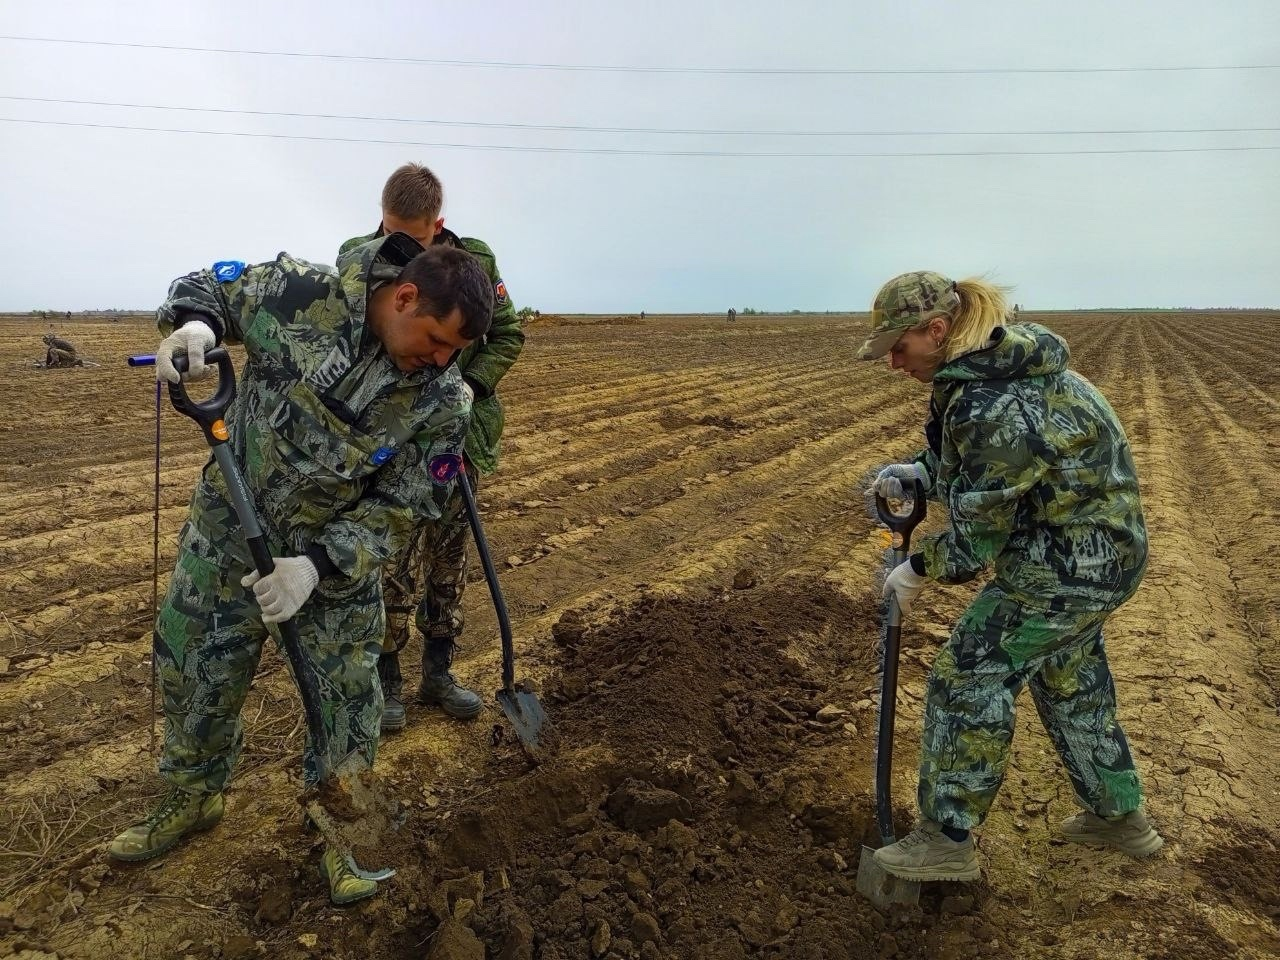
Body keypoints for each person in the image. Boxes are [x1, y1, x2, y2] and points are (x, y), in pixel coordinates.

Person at [106, 234, 493, 906]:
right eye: (436, 339)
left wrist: (315, 566)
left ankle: (341, 838)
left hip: (331, 566)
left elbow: (409, 504)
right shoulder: (301, 295)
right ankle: (193, 795)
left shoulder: (443, 399)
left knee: (347, 706)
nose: (441, 359)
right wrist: (196, 324)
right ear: (404, 297)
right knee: (194, 666)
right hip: (229, 528)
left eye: (454, 352)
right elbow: (211, 286)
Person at [860, 270, 1161, 882]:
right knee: (1069, 679)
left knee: (968, 676)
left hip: (1066, 566)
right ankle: (1118, 817)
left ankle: (945, 841)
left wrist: (916, 570)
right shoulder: (993, 374)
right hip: (1104, 555)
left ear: (937, 329)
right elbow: (987, 462)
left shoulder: (991, 399)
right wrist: (919, 471)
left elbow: (977, 540)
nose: (893, 362)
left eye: (900, 347)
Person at [340, 162, 524, 733]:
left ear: (438, 225)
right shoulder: (360, 256)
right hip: (391, 436)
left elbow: (509, 334)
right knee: (389, 556)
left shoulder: (475, 263)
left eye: (414, 237)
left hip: (457, 440)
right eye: (389, 228)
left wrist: (468, 386)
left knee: (449, 557)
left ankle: (438, 673)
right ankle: (388, 680)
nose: (399, 245)